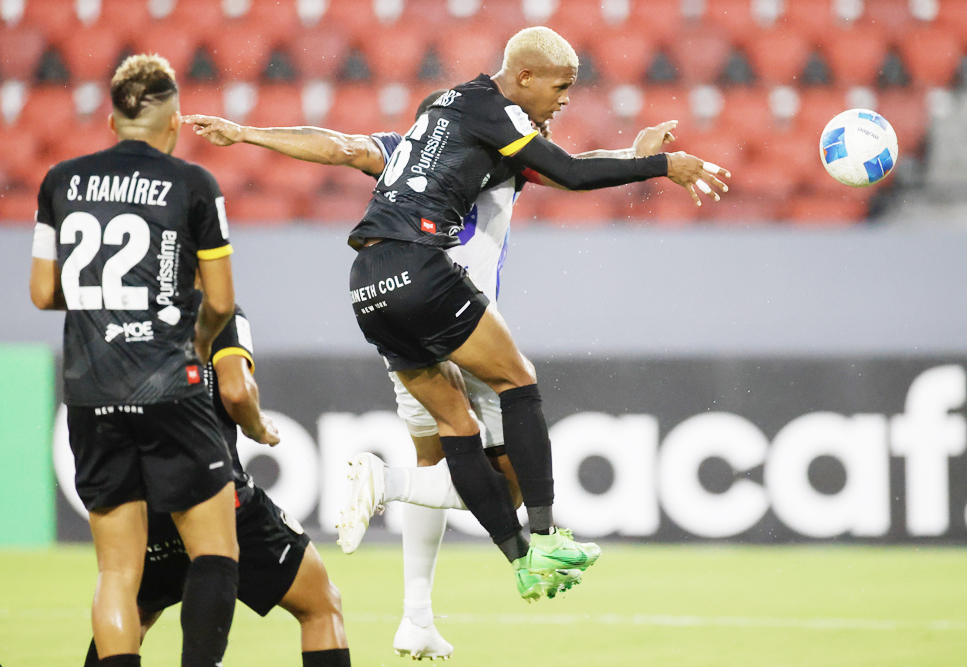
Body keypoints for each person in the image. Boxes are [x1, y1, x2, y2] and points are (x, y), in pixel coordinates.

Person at [184, 87, 679, 654]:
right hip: (456, 310)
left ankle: (416, 614)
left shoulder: (405, 158)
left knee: (438, 457)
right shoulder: (501, 150)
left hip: (393, 295)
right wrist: (641, 162)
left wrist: (247, 133)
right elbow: (566, 168)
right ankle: (400, 493)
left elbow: (342, 147)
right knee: (505, 481)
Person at [345, 25, 730, 601]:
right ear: (523, 78)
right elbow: (570, 173)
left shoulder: (448, 117)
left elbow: (563, 165)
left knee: (457, 431)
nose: (567, 99)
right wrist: (660, 166)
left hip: (367, 285)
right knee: (518, 381)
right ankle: (538, 535)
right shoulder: (494, 114)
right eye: (561, 86)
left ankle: (520, 560)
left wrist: (631, 155)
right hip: (428, 279)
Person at [29, 54, 240, 667]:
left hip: (90, 390)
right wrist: (194, 338)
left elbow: (43, 293)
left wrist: (104, 300)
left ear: (113, 117)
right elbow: (221, 300)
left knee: (117, 571)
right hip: (168, 384)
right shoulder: (193, 184)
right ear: (173, 120)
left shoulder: (60, 180)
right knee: (215, 554)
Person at [79, 303, 352, 667]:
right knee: (320, 605)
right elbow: (236, 391)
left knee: (128, 609)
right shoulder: (210, 306)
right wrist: (256, 425)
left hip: (142, 501)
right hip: (210, 489)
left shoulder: (114, 315)